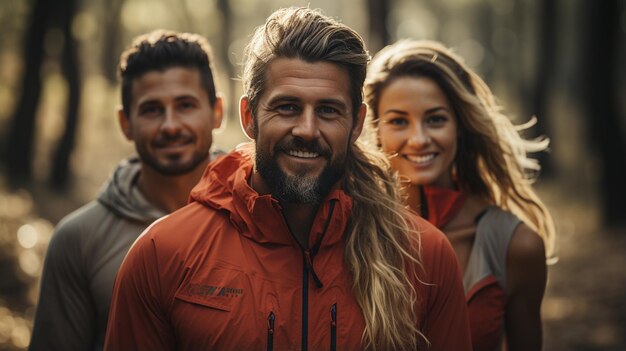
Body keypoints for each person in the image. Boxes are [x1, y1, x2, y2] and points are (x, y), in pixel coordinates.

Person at [104, 7, 471, 351]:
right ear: (249, 116)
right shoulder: (162, 253)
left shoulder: (424, 257)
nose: (307, 130)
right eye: (287, 107)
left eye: (328, 110)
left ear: (357, 123)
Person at [29, 30, 224, 351]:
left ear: (217, 112)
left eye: (186, 105)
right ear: (125, 123)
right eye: (151, 110)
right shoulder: (79, 240)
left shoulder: (259, 216)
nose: (170, 125)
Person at [364, 39, 557, 351]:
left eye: (436, 119)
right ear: (375, 129)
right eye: (399, 121)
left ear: (460, 126)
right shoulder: (348, 229)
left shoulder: (517, 247)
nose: (419, 139)